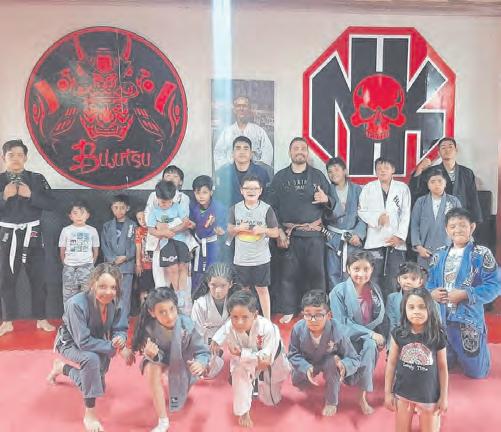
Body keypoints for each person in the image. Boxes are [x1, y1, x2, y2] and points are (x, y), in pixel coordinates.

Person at [47, 263, 130, 432]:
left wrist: (120, 340)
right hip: (70, 342)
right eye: (102, 286)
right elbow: (83, 342)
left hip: (97, 340)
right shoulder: (75, 304)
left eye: (113, 287)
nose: (108, 292)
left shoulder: (116, 302)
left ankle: (62, 368)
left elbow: (120, 328)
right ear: (92, 284)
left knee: (97, 385)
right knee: (91, 361)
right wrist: (114, 347)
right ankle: (89, 415)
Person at [427, 208, 499, 378]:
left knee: (477, 373)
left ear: (472, 227)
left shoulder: (481, 253)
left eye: (462, 225)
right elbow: (430, 283)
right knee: (439, 367)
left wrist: (465, 294)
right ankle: (453, 353)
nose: (457, 229)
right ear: (446, 230)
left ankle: (475, 351)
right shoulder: (438, 254)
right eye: (452, 226)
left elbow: (495, 285)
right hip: (442, 319)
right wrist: (431, 293)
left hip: (467, 319)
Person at [268, 137, 334, 323]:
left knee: (316, 275)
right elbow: (271, 208)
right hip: (289, 235)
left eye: (303, 148)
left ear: (307, 153)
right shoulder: (280, 177)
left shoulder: (318, 176)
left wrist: (326, 200)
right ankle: (289, 309)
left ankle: (317, 310)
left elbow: (331, 203)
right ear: (290, 152)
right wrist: (279, 231)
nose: (299, 151)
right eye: (296, 148)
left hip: (314, 235)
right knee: (288, 275)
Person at [130, 287, 210, 432]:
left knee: (181, 390)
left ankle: (180, 383)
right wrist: (152, 354)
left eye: (172, 309)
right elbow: (152, 354)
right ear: (152, 313)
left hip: (182, 361)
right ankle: (163, 421)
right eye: (162, 312)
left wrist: (200, 363)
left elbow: (202, 351)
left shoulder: (187, 325)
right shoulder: (149, 328)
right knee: (151, 370)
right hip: (160, 359)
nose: (170, 316)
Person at [211, 290, 290, 428]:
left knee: (271, 400)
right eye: (234, 317)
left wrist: (242, 353)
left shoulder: (268, 328)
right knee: (238, 372)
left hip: (271, 363)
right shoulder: (230, 325)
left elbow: (265, 361)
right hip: (244, 362)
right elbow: (224, 329)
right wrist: (216, 341)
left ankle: (259, 384)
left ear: (255, 315)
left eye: (244, 317)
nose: (239, 322)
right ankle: (244, 411)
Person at [0, 139, 55, 336]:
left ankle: (41, 319)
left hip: (33, 234)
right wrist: (3, 197)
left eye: (19, 155)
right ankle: (7, 321)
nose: (15, 159)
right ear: (3, 157)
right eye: (11, 155)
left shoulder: (36, 178)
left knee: (38, 279)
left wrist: (31, 195)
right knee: (6, 279)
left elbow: (52, 203)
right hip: (7, 236)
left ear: (25, 158)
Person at [329, 251, 387, 415]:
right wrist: (370, 334)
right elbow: (341, 324)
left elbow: (379, 319)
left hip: (367, 338)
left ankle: (362, 396)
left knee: (370, 346)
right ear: (348, 269)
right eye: (356, 269)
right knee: (367, 341)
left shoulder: (375, 290)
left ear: (372, 269)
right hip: (344, 338)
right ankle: (332, 399)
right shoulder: (338, 291)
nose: (361, 274)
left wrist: (380, 337)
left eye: (366, 269)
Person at [384, 288, 448, 432]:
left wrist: (443, 397)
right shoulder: (398, 334)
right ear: (404, 309)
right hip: (403, 394)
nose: (416, 311)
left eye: (422, 307)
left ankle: (436, 422)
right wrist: (387, 393)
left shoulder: (437, 336)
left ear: (430, 309)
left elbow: (443, 367)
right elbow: (391, 364)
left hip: (429, 395)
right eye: (411, 307)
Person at [288, 290, 360, 416]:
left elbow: (354, 358)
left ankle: (331, 401)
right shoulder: (298, 328)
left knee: (332, 362)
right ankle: (305, 377)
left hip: (329, 360)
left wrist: (343, 364)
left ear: (329, 315)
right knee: (297, 381)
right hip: (307, 361)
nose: (313, 320)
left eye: (318, 315)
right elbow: (293, 354)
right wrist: (305, 367)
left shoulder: (338, 330)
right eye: (308, 315)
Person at [358, 157, 411, 300]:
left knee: (395, 279)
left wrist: (400, 236)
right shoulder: (368, 188)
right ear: (375, 171)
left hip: (395, 241)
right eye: (379, 168)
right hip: (375, 240)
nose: (382, 171)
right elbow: (361, 210)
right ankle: (376, 310)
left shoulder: (402, 188)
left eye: (386, 168)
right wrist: (377, 219)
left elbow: (406, 214)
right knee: (373, 278)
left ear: (393, 170)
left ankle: (394, 310)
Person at [228, 175, 279, 320]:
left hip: (261, 258)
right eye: (247, 188)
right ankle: (246, 318)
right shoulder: (235, 209)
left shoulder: (266, 209)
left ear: (261, 190)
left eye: (255, 188)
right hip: (241, 259)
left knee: (262, 289)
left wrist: (263, 230)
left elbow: (276, 232)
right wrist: (238, 228)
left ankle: (267, 320)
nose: (251, 191)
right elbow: (228, 230)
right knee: (243, 291)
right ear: (241, 190)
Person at [409, 137, 483, 223]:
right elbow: (417, 192)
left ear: (456, 150)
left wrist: (474, 221)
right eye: (443, 148)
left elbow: (473, 198)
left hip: (460, 219)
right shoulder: (431, 172)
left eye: (450, 147)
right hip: (437, 219)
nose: (447, 150)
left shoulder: (467, 173)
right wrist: (420, 169)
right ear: (439, 153)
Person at [144, 165, 195, 287]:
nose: (171, 178)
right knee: (160, 281)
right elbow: (147, 216)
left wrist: (166, 229)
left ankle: (182, 298)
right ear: (162, 179)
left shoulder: (183, 198)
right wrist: (160, 231)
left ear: (181, 182)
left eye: (175, 176)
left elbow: (182, 221)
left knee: (181, 281)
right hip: (159, 242)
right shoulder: (153, 196)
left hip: (179, 241)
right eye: (168, 175)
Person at [147, 180, 192, 313]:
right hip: (165, 243)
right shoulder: (154, 211)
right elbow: (151, 230)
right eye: (162, 202)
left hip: (181, 241)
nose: (164, 205)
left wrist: (172, 230)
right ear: (157, 197)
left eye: (167, 202)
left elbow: (186, 223)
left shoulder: (178, 207)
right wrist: (163, 233)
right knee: (172, 269)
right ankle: (176, 292)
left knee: (182, 267)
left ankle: (182, 294)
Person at [324, 157, 366, 290]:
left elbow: (364, 216)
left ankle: (352, 301)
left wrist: (358, 235)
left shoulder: (357, 190)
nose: (333, 173)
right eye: (330, 171)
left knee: (353, 273)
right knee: (332, 274)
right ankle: (336, 301)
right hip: (332, 238)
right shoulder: (326, 190)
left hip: (352, 238)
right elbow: (323, 215)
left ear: (345, 171)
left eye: (336, 169)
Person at [191, 263, 238, 378]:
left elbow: (238, 321)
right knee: (206, 372)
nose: (218, 290)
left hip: (233, 332)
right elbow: (196, 333)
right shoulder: (201, 303)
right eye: (213, 285)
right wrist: (201, 358)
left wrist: (218, 338)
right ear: (208, 283)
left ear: (230, 284)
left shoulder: (237, 299)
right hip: (208, 335)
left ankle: (238, 366)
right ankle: (216, 355)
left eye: (223, 286)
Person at [411, 168, 461, 270]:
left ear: (445, 183)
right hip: (425, 252)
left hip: (449, 251)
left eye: (440, 181)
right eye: (432, 182)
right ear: (428, 185)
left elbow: (460, 226)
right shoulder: (421, 202)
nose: (436, 184)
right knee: (425, 278)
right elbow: (414, 226)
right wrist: (419, 247)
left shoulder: (454, 201)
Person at [101, 194, 136, 329]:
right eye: (115, 207)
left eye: (122, 207)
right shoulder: (107, 226)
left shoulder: (132, 225)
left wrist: (126, 256)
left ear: (128, 208)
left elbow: (136, 245)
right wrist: (112, 259)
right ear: (111, 208)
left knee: (124, 296)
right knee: (110, 294)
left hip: (126, 265)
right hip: (111, 266)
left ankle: (122, 322)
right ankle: (111, 320)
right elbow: (104, 244)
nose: (119, 210)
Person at [213, 96, 274, 171]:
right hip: (232, 173)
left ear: (249, 109)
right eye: (238, 106)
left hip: (254, 173)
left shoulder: (259, 131)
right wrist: (227, 169)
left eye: (244, 106)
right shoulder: (227, 132)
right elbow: (218, 154)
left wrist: (259, 170)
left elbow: (267, 152)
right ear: (234, 110)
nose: (241, 108)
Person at [188, 175, 227, 291]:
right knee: (197, 274)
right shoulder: (192, 207)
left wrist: (222, 232)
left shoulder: (220, 208)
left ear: (211, 192)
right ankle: (197, 298)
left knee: (214, 273)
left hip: (213, 246)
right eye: (197, 192)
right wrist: (191, 226)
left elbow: (225, 228)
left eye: (204, 192)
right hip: (197, 245)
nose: (201, 196)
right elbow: (190, 227)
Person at [59, 200, 99, 302]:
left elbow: (95, 250)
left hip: (87, 266)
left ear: (88, 215)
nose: (79, 216)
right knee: (68, 296)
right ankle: (69, 313)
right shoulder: (66, 230)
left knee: (87, 296)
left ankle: (85, 313)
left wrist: (90, 264)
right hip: (69, 267)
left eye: (82, 213)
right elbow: (62, 249)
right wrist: (66, 264)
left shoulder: (92, 230)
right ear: (70, 216)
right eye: (75, 213)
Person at [214, 136, 270, 208]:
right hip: (229, 213)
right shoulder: (222, 173)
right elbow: (219, 200)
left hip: (255, 213)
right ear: (232, 153)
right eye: (238, 148)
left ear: (251, 154)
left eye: (246, 148)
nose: (242, 152)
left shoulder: (262, 173)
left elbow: (265, 200)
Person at [386, 262, 427, 347]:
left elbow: (434, 326)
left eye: (413, 279)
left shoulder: (428, 300)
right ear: (398, 279)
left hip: (422, 341)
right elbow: (392, 325)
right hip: (399, 340)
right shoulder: (392, 298)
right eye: (405, 278)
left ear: (420, 282)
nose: (408, 282)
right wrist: (390, 347)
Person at [134, 206, 154, 304]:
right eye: (139, 219)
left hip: (156, 265)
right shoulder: (139, 230)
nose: (142, 221)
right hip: (144, 265)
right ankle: (143, 309)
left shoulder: (155, 229)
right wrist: (138, 264)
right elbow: (138, 248)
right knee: (143, 289)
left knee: (154, 290)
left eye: (144, 218)